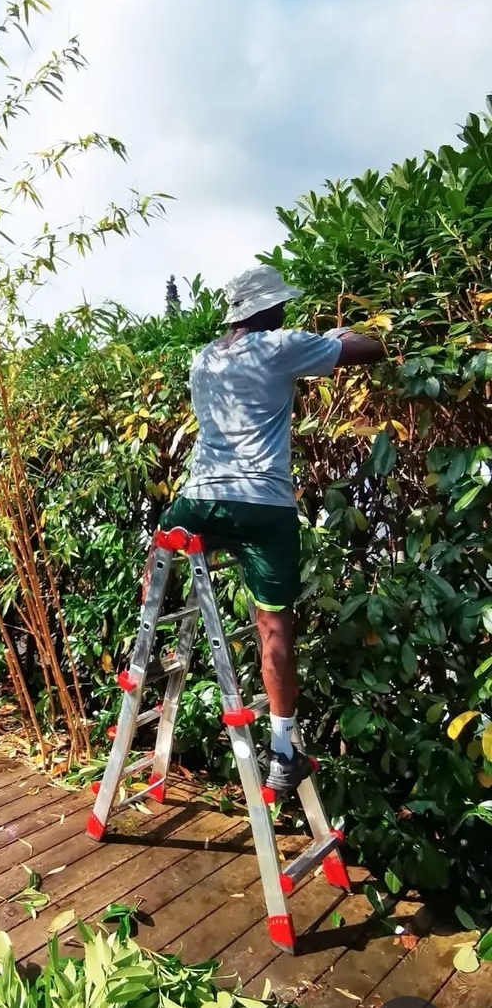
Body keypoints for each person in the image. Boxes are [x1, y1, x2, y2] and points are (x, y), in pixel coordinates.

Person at [156, 265, 385, 792]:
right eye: (281, 305)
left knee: (163, 540)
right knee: (275, 629)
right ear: (266, 310)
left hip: (203, 501)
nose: (287, 311)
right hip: (263, 506)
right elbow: (369, 350)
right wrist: (337, 337)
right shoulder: (282, 345)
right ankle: (283, 752)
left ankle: (152, 633)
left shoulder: (204, 357)